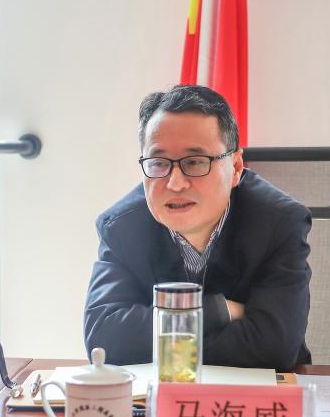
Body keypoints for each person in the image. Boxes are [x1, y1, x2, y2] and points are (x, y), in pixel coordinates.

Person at [84, 85, 312, 370]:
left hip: (256, 394)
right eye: (159, 163)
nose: (175, 183)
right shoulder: (122, 227)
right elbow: (104, 339)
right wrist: (219, 310)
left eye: (194, 162)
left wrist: (158, 338)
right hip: (158, 395)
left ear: (236, 167)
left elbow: (274, 347)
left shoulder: (279, 222)